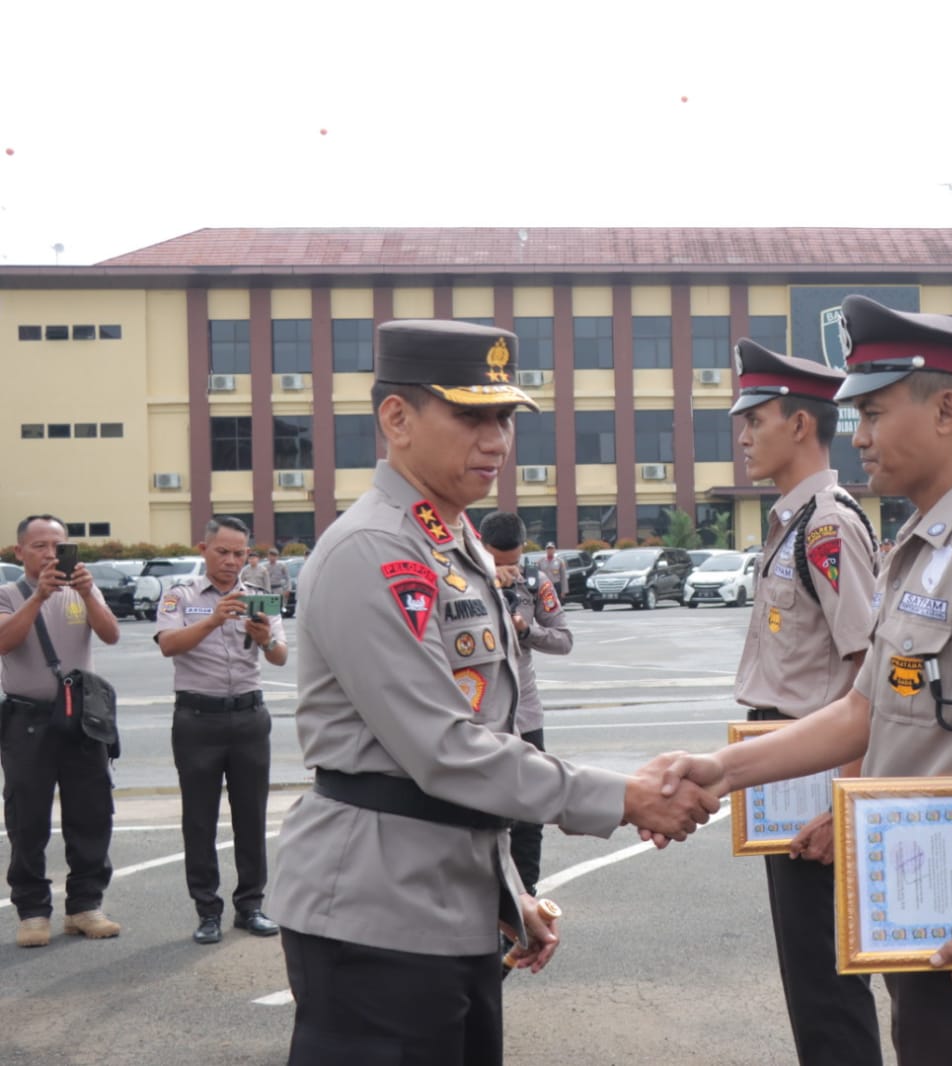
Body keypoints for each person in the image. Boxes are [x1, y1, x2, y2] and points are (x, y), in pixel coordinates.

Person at [659, 296, 952, 1066]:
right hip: (924, 912)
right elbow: (861, 710)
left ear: (946, 409)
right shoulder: (924, 549)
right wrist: (720, 771)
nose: (859, 437)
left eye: (874, 414)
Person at [265, 319, 718, 1066]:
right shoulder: (373, 550)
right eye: (471, 415)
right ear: (396, 419)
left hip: (447, 903)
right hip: (375, 920)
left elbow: (481, 746)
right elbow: (444, 751)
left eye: (504, 416)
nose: (497, 439)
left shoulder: (450, 539)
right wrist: (626, 797)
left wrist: (505, 892)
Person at [729, 336, 881, 1066]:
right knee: (807, 971)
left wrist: (843, 797)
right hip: (786, 768)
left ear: (798, 425)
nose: (743, 435)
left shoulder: (826, 525)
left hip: (817, 777)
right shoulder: (793, 521)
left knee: (823, 978)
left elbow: (868, 669)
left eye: (754, 419)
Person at [155, 515, 287, 944]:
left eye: (239, 553)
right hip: (197, 718)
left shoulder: (260, 598)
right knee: (199, 819)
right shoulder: (181, 597)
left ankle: (250, 905)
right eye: (223, 552)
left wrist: (265, 637)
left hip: (249, 716)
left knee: (251, 816)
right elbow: (168, 645)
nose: (231, 561)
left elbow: (280, 657)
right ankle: (207, 910)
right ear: (203, 549)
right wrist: (212, 620)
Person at [0, 515, 122, 947]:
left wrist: (88, 593)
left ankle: (85, 906)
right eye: (39, 546)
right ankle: (33, 912)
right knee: (27, 818)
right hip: (27, 721)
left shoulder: (82, 590)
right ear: (19, 552)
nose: (50, 553)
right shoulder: (7, 595)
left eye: (57, 545)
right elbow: (3, 641)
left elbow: (110, 634)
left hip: (82, 719)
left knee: (91, 813)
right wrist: (37, 598)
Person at [479, 510, 571, 897]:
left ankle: (525, 899)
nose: (508, 570)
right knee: (481, 812)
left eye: (513, 561)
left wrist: (525, 629)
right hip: (477, 716)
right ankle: (483, 903)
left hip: (525, 714)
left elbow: (563, 640)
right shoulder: (458, 581)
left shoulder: (535, 582)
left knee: (530, 813)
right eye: (499, 562)